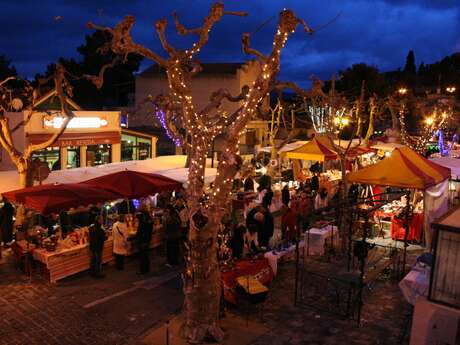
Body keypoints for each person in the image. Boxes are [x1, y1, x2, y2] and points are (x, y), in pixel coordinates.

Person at [136, 206, 153, 274]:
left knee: (143, 255)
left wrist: (143, 240)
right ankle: (146, 269)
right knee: (145, 255)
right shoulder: (147, 218)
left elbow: (143, 230)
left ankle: (143, 270)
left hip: (143, 239)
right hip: (145, 239)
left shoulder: (144, 219)